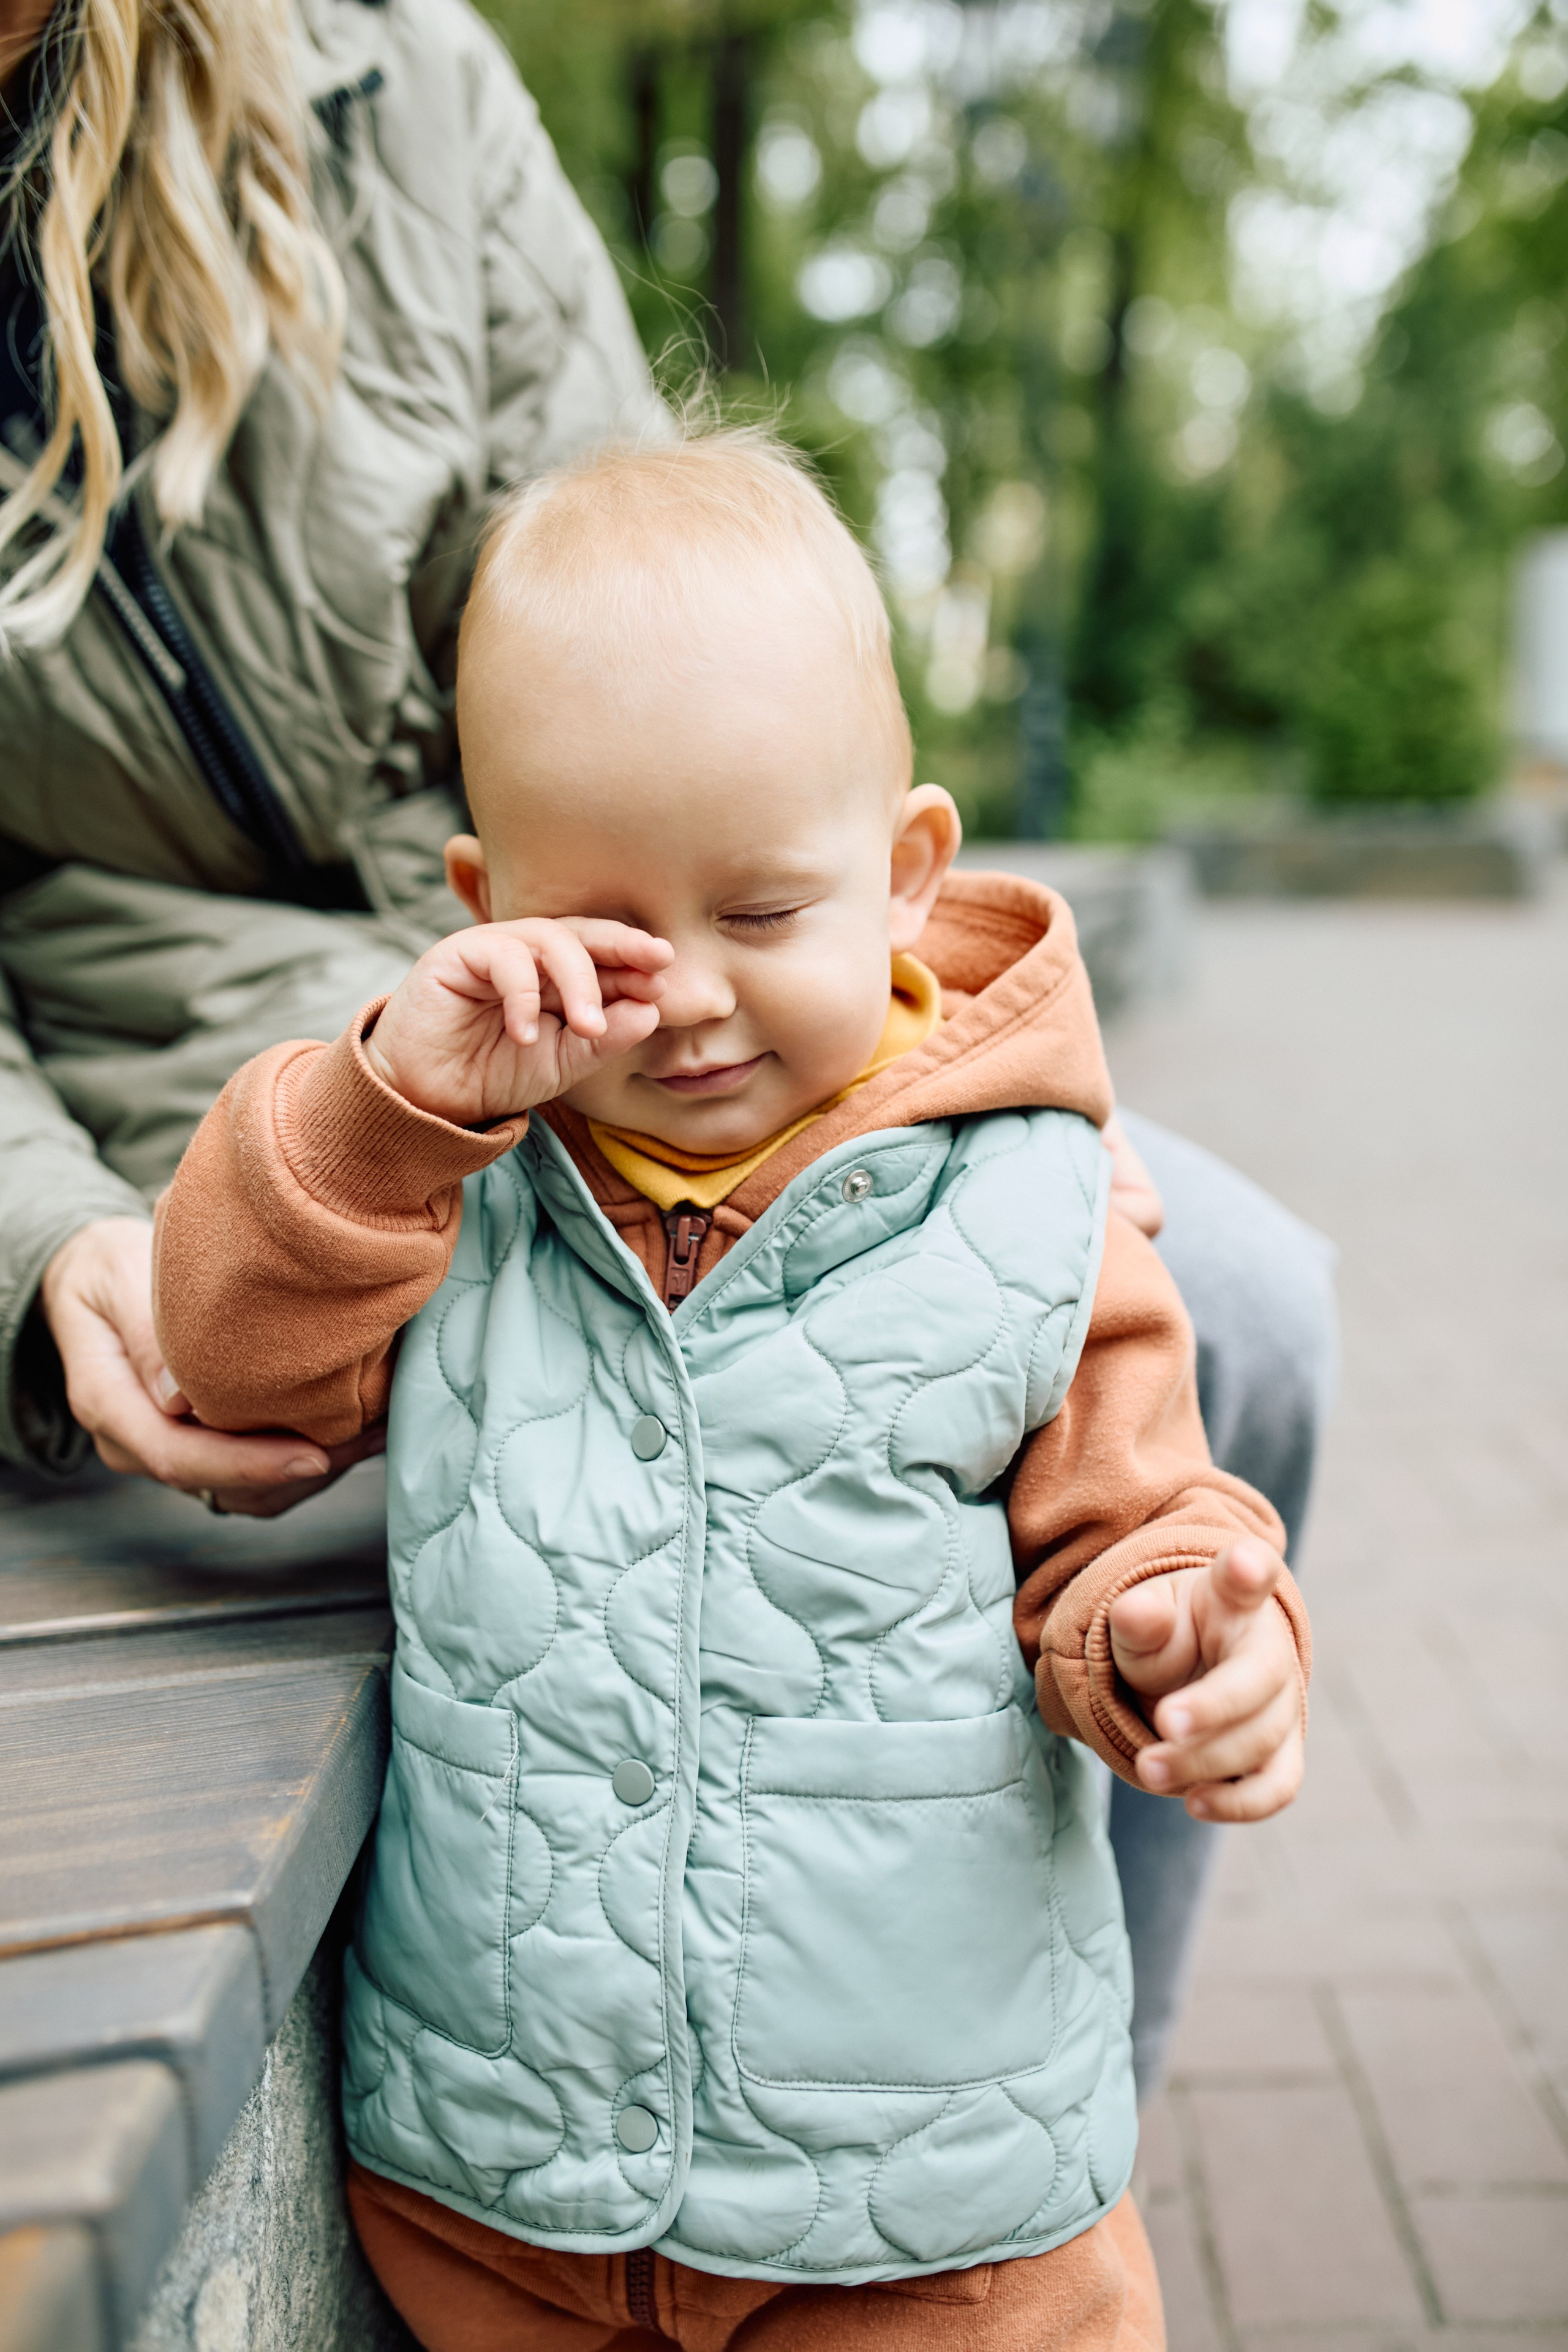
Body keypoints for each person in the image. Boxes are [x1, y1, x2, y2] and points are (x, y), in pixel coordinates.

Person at [0, 0, 1333, 2106]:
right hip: (189, 1074)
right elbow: (245, 1332)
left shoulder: (378, 77)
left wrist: (917, 1057)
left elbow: (674, 601)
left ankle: (1068, 2094)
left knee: (1230, 1305)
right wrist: (47, 1236)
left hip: (643, 997)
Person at [153, 430, 1311, 2352]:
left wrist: (1187, 1630)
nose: (682, 995)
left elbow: (1139, 1523)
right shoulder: (456, 1186)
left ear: (907, 872)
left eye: (764, 917)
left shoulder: (1030, 1205)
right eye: (604, 930)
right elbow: (231, 1359)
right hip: (501, 2207)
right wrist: (388, 1106)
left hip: (930, 2227)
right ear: (481, 894)